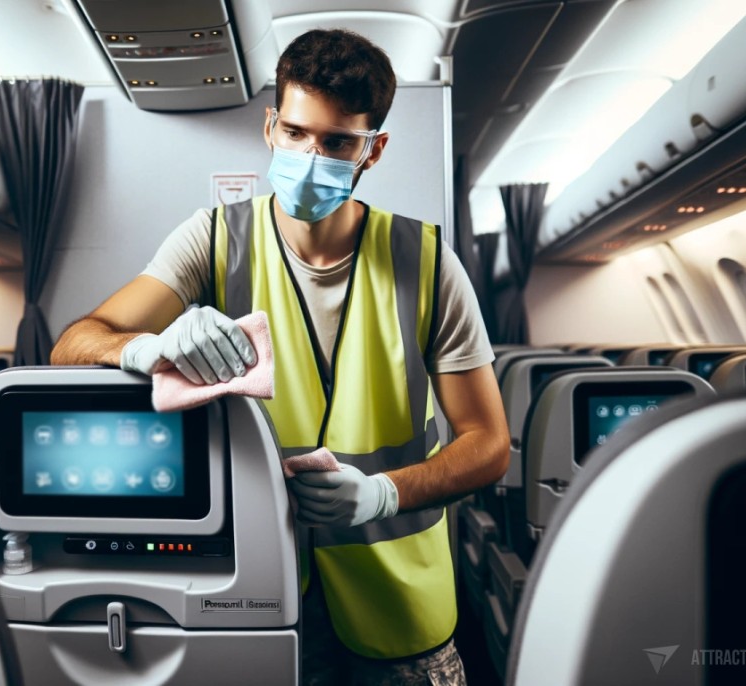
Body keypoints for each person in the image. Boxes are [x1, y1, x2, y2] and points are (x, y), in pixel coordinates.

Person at [51, 28, 509, 686]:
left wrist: (382, 494)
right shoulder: (211, 239)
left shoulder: (430, 263)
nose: (309, 154)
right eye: (295, 133)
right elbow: (73, 344)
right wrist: (145, 347)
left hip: (398, 607)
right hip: (254, 594)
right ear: (270, 128)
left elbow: (489, 444)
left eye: (336, 142)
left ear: (373, 151)